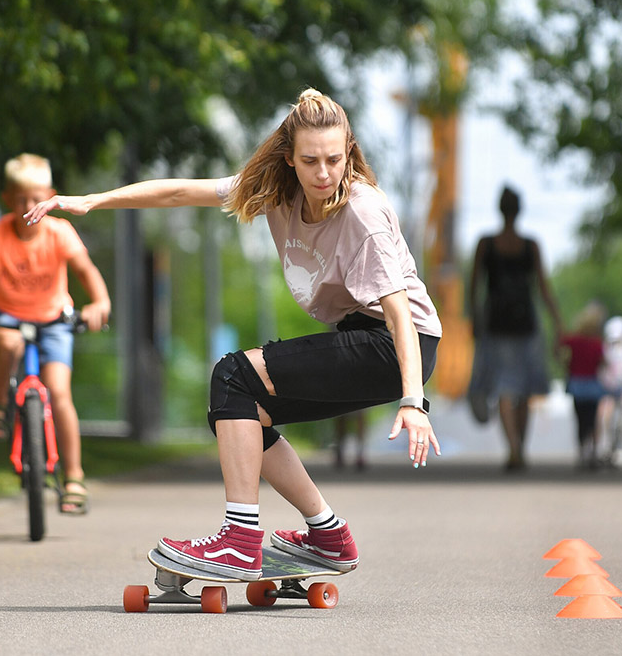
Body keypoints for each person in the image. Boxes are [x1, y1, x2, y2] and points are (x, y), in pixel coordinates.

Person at [24, 89, 441, 580]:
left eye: (333, 159)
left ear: (348, 151)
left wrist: (413, 402)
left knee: (234, 376)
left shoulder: (361, 213)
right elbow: (179, 192)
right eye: (310, 161)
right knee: (242, 411)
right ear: (290, 158)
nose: (324, 174)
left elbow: (397, 312)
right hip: (365, 336)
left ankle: (239, 542)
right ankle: (327, 535)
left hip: (396, 343)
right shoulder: (272, 192)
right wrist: (92, 201)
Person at [0, 153, 112, 515]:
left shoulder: (59, 232)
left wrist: (99, 301)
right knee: (8, 342)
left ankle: (74, 478)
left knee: (60, 392)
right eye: (20, 198)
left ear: (50, 196)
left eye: (36, 197)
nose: (29, 205)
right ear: (7, 198)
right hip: (9, 316)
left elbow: (85, 269)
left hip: (53, 319)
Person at [468, 186, 562, 471]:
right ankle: (520, 447)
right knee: (525, 389)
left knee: (504, 389)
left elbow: (473, 287)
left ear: (500, 209)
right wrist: (559, 324)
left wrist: (473, 320)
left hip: (496, 323)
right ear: (519, 210)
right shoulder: (530, 245)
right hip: (526, 324)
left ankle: (513, 449)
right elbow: (543, 288)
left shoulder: (486, 244)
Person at [559, 303, 607, 469]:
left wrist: (567, 364)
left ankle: (581, 451)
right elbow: (603, 363)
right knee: (593, 419)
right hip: (592, 386)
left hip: (577, 386)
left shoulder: (574, 340)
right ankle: (593, 451)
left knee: (580, 420)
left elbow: (559, 345)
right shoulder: (597, 343)